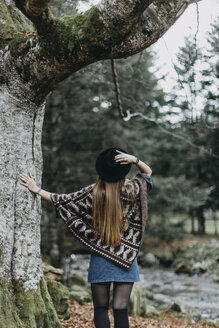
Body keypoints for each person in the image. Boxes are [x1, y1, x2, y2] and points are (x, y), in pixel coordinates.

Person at [19, 147, 152, 328]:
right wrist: (135, 160)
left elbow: (62, 200)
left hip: (100, 257)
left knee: (100, 308)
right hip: (127, 257)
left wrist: (37, 190)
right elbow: (147, 173)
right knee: (121, 308)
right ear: (123, 171)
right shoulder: (132, 189)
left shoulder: (94, 192)